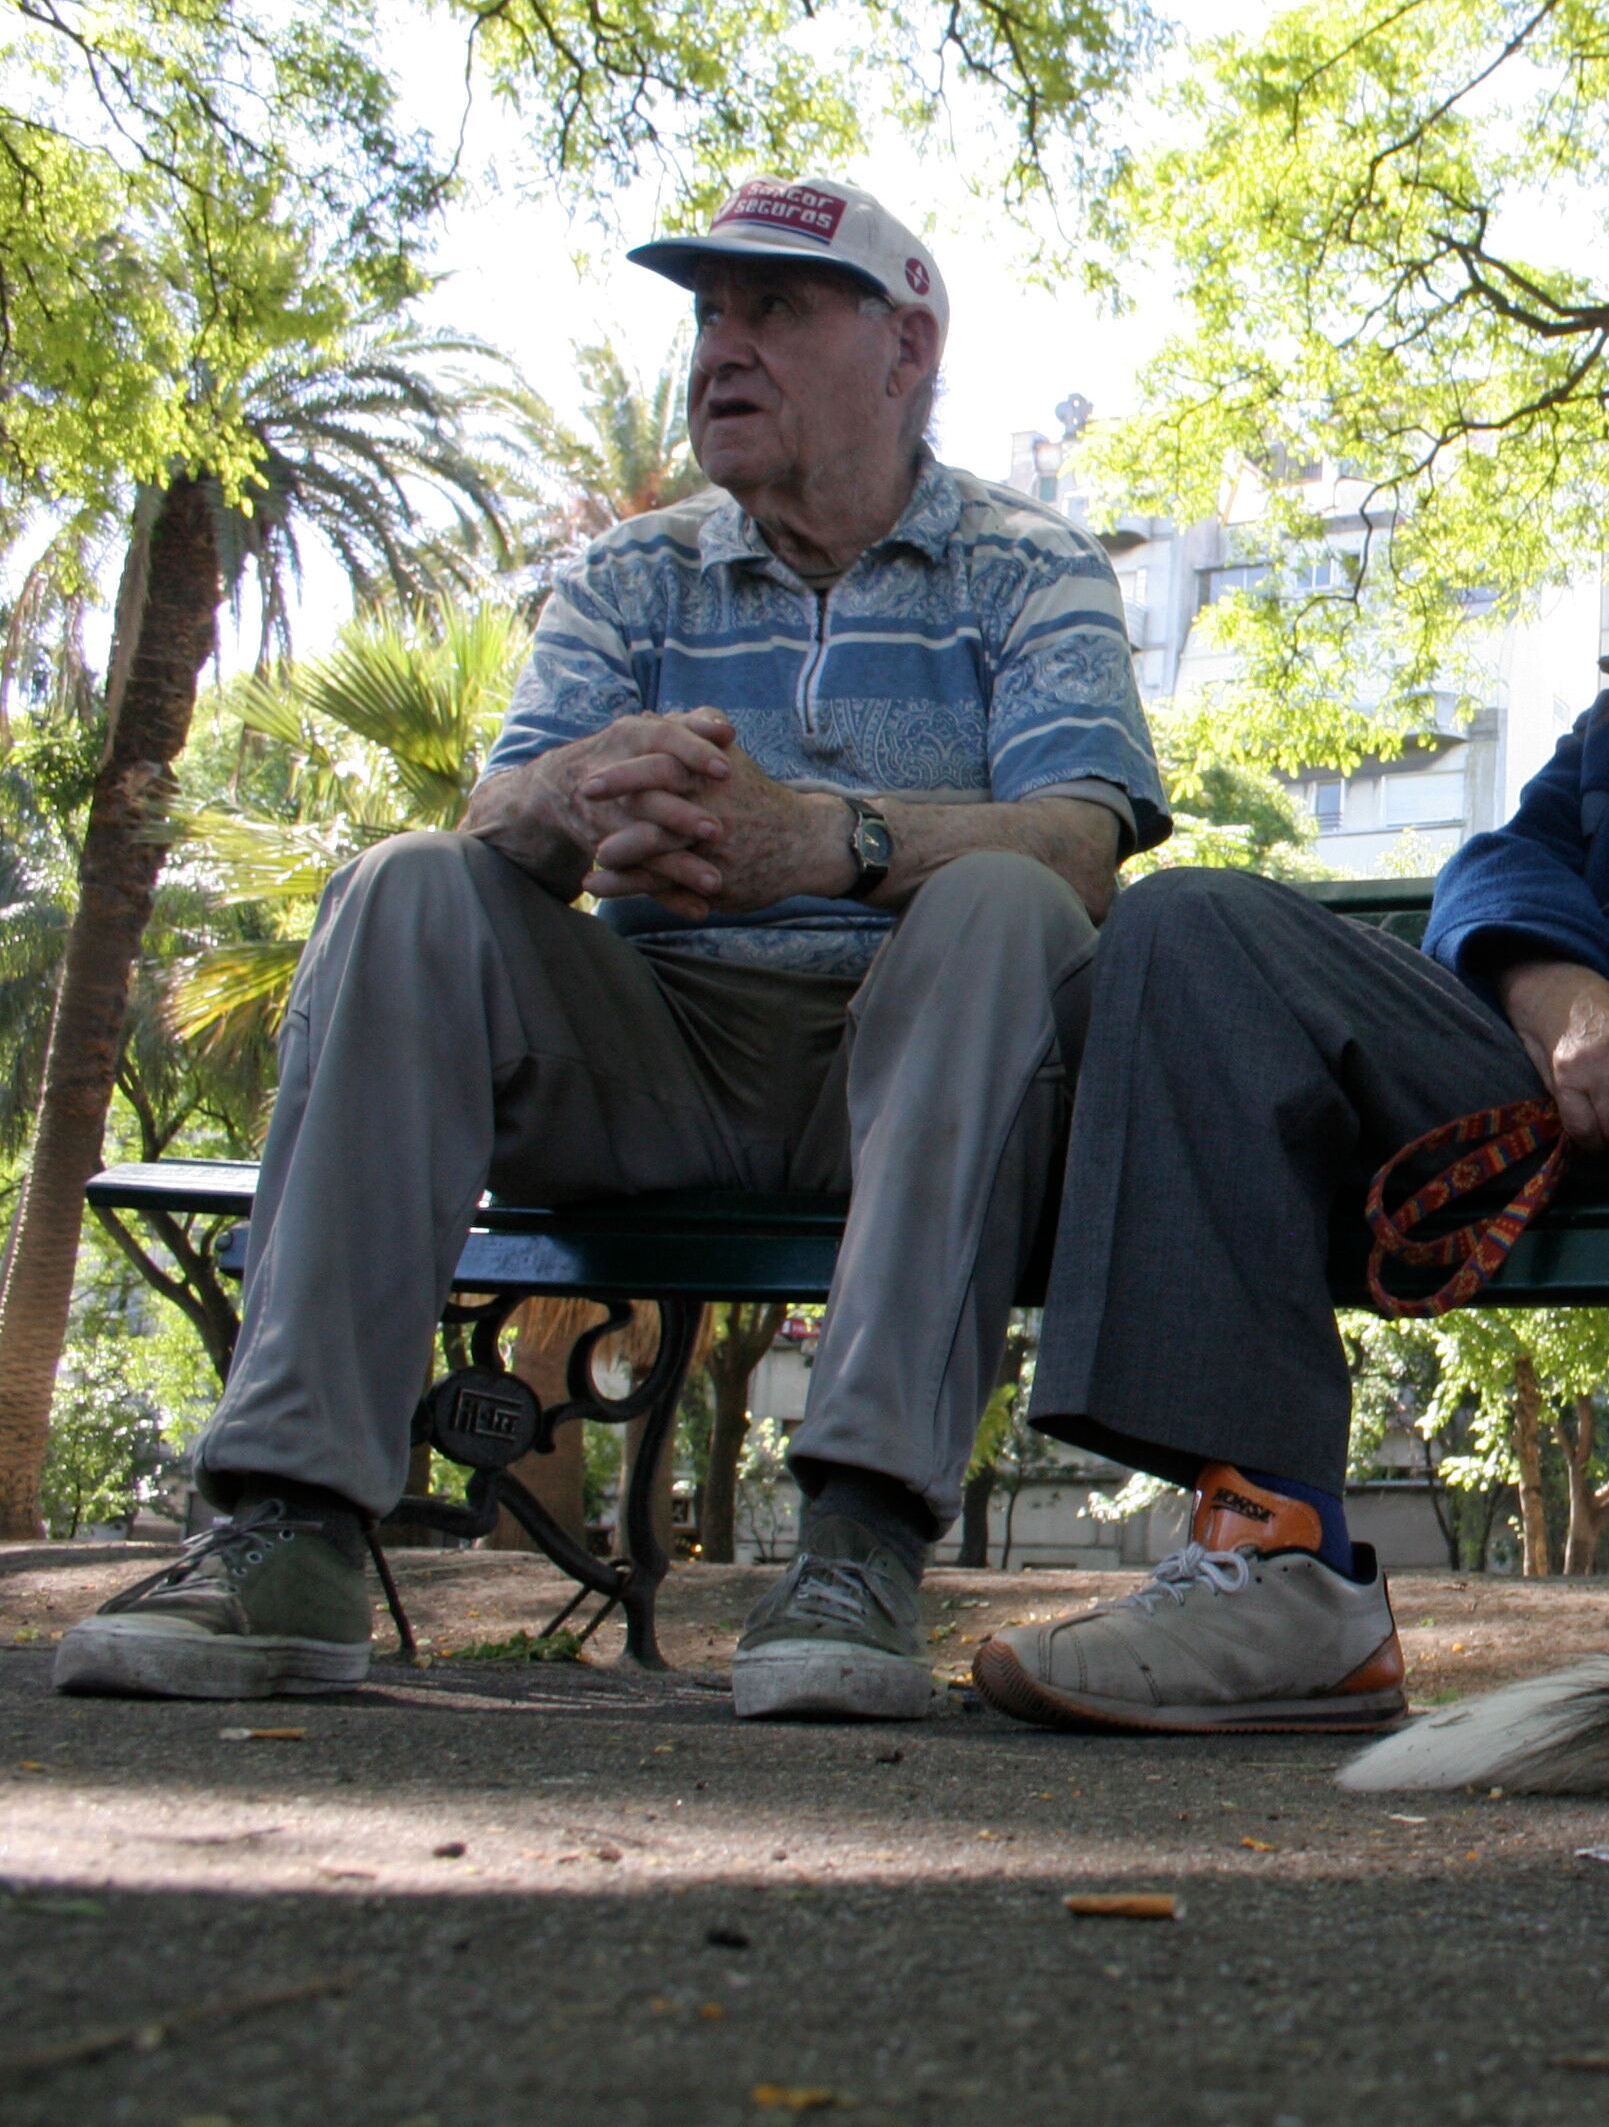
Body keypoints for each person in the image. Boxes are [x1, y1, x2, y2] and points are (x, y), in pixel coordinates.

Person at [54, 176, 1169, 1722]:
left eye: (774, 309)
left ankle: (857, 1543)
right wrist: (572, 795)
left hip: (915, 1060)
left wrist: (824, 839)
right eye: (710, 312)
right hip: (655, 1053)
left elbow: (1080, 842)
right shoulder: (636, 574)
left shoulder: (1027, 567)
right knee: (409, 885)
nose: (722, 347)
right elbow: (501, 801)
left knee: (1003, 903)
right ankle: (290, 1529)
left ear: (906, 347)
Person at [978, 337, 1609, 1733]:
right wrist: (1568, 1009)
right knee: (1193, 924)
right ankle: (1278, 1580)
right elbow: (1505, 866)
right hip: (1572, 1062)